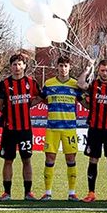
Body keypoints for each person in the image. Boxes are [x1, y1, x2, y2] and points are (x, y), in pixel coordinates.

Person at [0, 52, 39, 201]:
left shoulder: (31, 82)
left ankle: (28, 192)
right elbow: (0, 106)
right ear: (10, 67)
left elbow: (39, 97)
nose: (17, 67)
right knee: (8, 160)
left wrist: (28, 105)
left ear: (24, 66)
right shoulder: (4, 84)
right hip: (9, 129)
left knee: (26, 160)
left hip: (25, 129)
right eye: (14, 64)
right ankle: (6, 192)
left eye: (19, 64)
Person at [78, 59, 107, 203]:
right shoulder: (93, 85)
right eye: (102, 70)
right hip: (95, 129)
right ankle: (91, 193)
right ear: (98, 70)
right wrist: (87, 68)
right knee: (93, 159)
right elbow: (80, 84)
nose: (105, 73)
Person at [40, 56, 83, 201]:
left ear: (69, 67)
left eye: (66, 66)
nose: (63, 68)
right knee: (50, 158)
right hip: (52, 128)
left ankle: (72, 193)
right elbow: (42, 99)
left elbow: (84, 102)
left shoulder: (75, 85)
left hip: (69, 128)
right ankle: (48, 192)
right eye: (61, 66)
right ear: (56, 67)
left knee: (70, 158)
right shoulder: (49, 84)